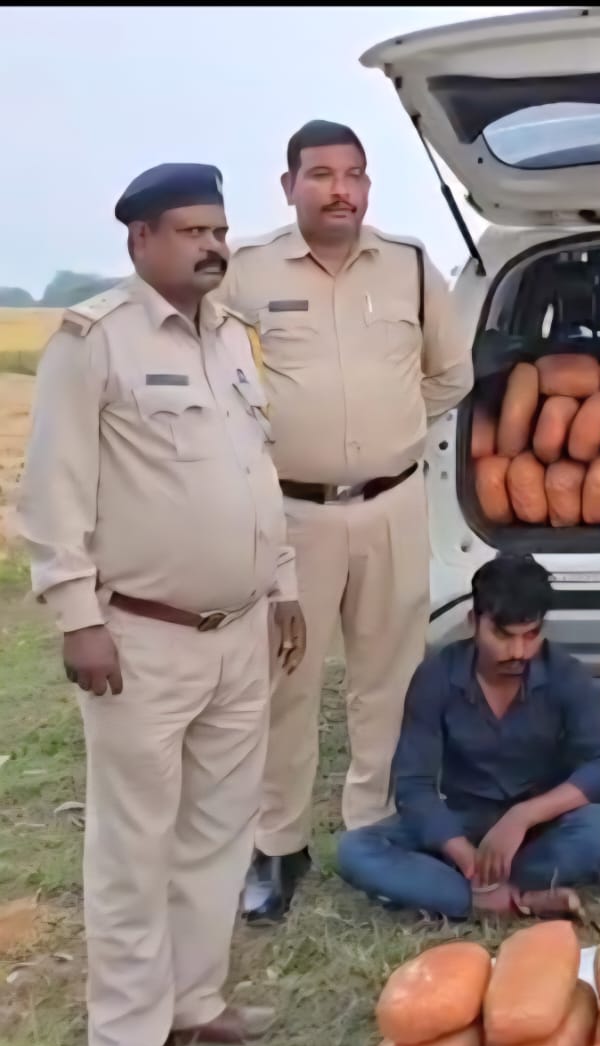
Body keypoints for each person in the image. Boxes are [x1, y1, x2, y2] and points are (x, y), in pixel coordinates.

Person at [15, 163, 307, 1046]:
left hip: (240, 630)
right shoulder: (94, 339)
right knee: (133, 846)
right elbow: (53, 490)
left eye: (218, 230)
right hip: (141, 636)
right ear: (141, 239)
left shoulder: (231, 337)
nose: (213, 246)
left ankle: (195, 1001)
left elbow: (256, 472)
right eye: (191, 231)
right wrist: (77, 615)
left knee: (219, 829)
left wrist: (283, 584)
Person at [215, 120, 474, 922]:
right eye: (322, 174)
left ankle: (374, 831)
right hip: (291, 512)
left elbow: (452, 374)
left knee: (388, 678)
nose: (341, 190)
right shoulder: (245, 272)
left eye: (354, 174)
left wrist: (388, 430)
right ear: (288, 185)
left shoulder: (410, 267)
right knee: (284, 680)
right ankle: (277, 844)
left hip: (393, 502)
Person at [336, 554, 600, 919]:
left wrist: (523, 817)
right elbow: (414, 785)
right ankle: (503, 898)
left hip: (537, 829)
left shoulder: (564, 673)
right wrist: (463, 854)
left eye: (531, 635)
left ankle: (472, 892)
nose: (518, 652)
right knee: (357, 848)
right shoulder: (437, 675)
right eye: (503, 636)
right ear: (474, 622)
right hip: (462, 822)